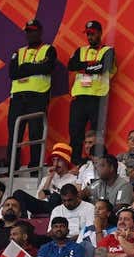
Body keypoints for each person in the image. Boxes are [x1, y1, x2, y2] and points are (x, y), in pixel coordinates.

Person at [7, 19, 56, 167]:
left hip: (37, 97)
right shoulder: (19, 52)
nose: (30, 34)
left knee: (36, 133)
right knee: (15, 133)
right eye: (28, 31)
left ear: (40, 32)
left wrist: (26, 66)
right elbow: (13, 73)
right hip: (17, 98)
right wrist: (35, 66)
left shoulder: (48, 49)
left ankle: (35, 167)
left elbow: (46, 68)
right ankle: (12, 167)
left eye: (33, 31)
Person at [66, 21, 116, 163]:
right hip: (80, 97)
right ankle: (75, 161)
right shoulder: (80, 50)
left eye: (92, 33)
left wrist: (85, 67)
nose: (90, 36)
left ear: (100, 33)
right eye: (88, 34)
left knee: (97, 133)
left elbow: (103, 67)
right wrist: (93, 65)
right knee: (75, 132)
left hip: (98, 97)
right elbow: (71, 65)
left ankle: (97, 160)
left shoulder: (108, 50)